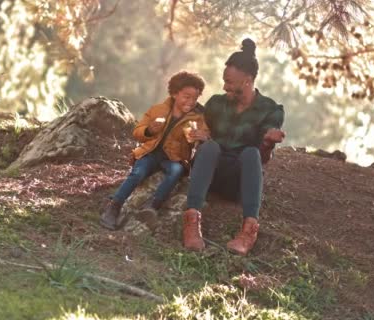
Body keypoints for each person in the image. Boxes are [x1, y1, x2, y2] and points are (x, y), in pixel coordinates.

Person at [182, 38, 286, 255]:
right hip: (209, 176)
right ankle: (191, 221)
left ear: (247, 80)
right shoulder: (216, 104)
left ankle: (248, 230)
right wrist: (199, 135)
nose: (224, 86)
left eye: (229, 82)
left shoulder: (269, 109)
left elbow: (262, 158)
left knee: (251, 152)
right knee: (210, 147)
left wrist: (267, 142)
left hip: (239, 183)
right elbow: (193, 128)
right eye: (224, 81)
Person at [100, 71, 208, 230]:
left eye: (195, 98)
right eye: (186, 96)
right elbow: (138, 132)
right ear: (175, 93)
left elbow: (205, 134)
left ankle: (152, 206)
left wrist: (201, 136)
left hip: (173, 158)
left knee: (176, 171)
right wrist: (150, 130)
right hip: (150, 153)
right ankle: (114, 207)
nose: (191, 102)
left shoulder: (197, 119)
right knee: (138, 173)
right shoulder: (158, 110)